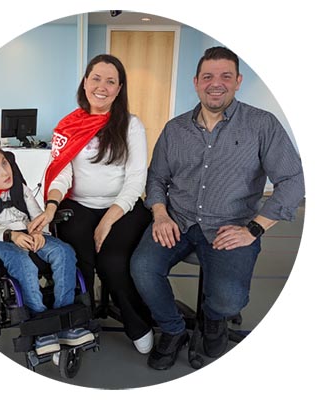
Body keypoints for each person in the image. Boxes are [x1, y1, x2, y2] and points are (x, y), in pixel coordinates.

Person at [130, 46, 305, 370]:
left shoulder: (261, 125)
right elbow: (157, 178)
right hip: (178, 220)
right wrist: (160, 213)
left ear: (237, 81)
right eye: (208, 76)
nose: (216, 83)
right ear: (196, 82)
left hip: (232, 226)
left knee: (229, 299)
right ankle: (173, 329)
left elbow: (294, 180)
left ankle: (212, 320)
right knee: (142, 268)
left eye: (225, 76)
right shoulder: (175, 129)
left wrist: (254, 228)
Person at [28, 54, 154, 354]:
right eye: (96, 78)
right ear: (85, 83)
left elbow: (136, 180)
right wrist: (50, 207)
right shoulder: (69, 125)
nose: (102, 86)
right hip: (79, 205)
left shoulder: (131, 126)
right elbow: (62, 175)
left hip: (122, 207)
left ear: (120, 88)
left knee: (113, 262)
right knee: (78, 260)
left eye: (111, 81)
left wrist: (108, 219)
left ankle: (138, 323)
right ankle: (78, 322)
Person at [0, 140, 94, 356]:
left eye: (5, 163)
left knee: (64, 252)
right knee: (22, 263)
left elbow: (36, 214)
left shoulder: (19, 188)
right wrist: (10, 235)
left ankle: (65, 319)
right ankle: (41, 325)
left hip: (29, 234)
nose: (5, 172)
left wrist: (38, 232)